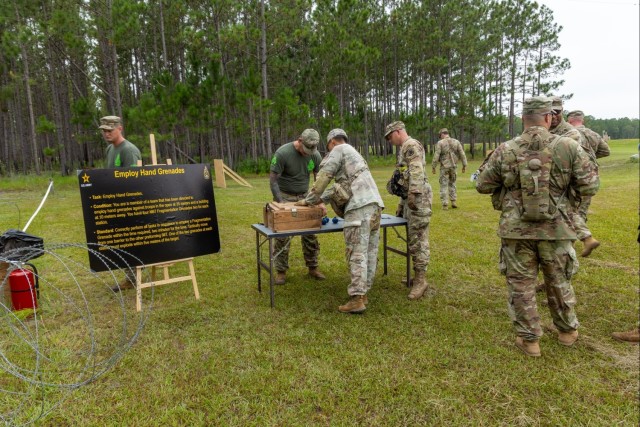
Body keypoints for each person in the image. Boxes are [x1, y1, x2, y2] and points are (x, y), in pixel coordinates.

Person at [476, 96, 599, 357]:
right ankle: (567, 332)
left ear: (523, 119)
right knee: (559, 281)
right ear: (548, 118)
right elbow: (590, 186)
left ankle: (530, 341)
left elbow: (482, 185)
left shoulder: (505, 149)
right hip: (558, 230)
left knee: (521, 284)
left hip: (516, 231)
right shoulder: (569, 146)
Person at [296, 129, 384, 313]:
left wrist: (309, 200)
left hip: (358, 208)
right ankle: (364, 293)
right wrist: (321, 200)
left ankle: (356, 299)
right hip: (375, 206)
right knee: (369, 251)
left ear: (332, 142)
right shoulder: (355, 154)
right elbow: (341, 188)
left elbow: (323, 179)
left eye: (327, 147)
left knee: (356, 252)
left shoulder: (338, 150)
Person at [269, 129, 326, 285]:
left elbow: (319, 180)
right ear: (299, 140)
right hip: (285, 196)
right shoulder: (282, 153)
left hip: (305, 197)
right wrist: (281, 203)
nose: (308, 153)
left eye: (311, 150)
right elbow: (273, 180)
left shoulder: (314, 155)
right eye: (305, 149)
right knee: (282, 235)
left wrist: (318, 200)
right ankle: (281, 271)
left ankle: (313, 267)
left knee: (311, 232)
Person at [385, 121, 432, 300]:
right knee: (413, 238)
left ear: (398, 132)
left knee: (418, 239)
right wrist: (401, 203)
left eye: (390, 136)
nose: (390, 140)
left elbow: (416, 170)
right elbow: (405, 177)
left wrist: (414, 193)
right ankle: (417, 277)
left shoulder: (410, 145)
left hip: (418, 198)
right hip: (410, 198)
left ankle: (421, 281)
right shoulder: (404, 148)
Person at [549, 98, 599, 257]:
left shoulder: (570, 132)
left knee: (569, 212)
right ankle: (585, 239)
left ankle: (580, 243)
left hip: (576, 180)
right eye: (551, 112)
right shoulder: (547, 129)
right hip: (566, 178)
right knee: (568, 212)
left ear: (562, 111)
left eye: (557, 111)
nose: (554, 115)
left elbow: (557, 154)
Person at [99, 116, 142, 292]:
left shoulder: (129, 150)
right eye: (104, 130)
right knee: (121, 241)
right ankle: (131, 275)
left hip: (128, 203)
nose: (107, 133)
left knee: (130, 240)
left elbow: (135, 180)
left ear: (120, 129)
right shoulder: (110, 149)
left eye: (110, 130)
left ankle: (132, 278)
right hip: (114, 202)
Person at [567, 110, 611, 257]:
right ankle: (583, 240)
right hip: (590, 177)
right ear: (582, 120)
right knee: (582, 211)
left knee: (568, 209)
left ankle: (573, 243)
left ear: (570, 120)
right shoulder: (593, 134)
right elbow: (606, 151)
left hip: (573, 177)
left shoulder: (568, 133)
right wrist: (590, 157)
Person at [432, 128, 467, 209]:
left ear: (442, 134)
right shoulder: (456, 142)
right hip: (454, 166)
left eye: (440, 135)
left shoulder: (440, 143)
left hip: (444, 167)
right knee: (452, 184)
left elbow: (436, 155)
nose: (440, 137)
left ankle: (445, 204)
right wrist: (464, 165)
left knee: (443, 185)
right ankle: (453, 201)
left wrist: (434, 166)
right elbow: (462, 154)